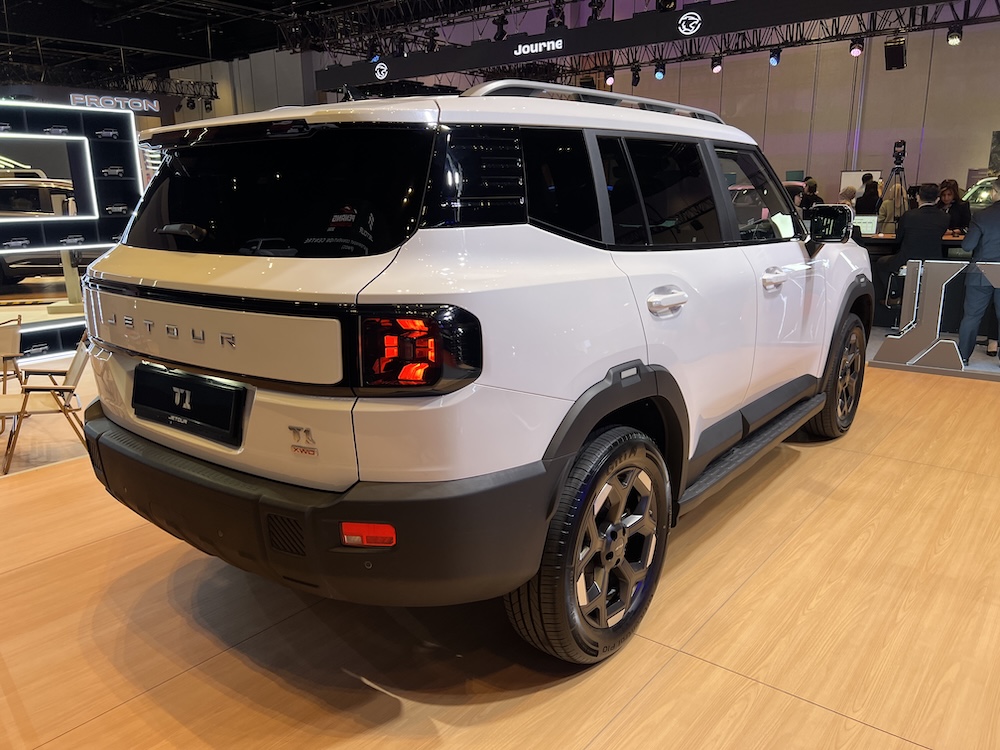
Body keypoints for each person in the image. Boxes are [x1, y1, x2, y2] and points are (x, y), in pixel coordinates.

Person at [875, 183, 949, 306]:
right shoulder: (945, 217)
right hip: (933, 261)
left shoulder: (909, 215)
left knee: (881, 263)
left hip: (907, 259)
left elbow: (898, 239)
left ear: (918, 197)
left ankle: (894, 295)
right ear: (937, 199)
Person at [958, 177, 1000, 365]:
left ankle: (963, 356)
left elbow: (967, 246)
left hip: (981, 271)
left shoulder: (982, 216)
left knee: (972, 316)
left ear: (995, 192)